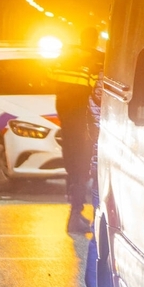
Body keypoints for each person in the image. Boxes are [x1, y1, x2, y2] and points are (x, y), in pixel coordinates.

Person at [50, 27, 104, 234]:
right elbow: (95, 89)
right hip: (82, 118)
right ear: (95, 39)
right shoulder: (96, 59)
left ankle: (73, 206)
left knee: (72, 165)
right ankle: (75, 215)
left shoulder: (65, 56)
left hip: (66, 116)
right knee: (83, 166)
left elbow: (50, 77)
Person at [83, 72, 102, 287]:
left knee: (99, 233)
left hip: (103, 168)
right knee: (99, 233)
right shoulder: (107, 86)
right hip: (106, 170)